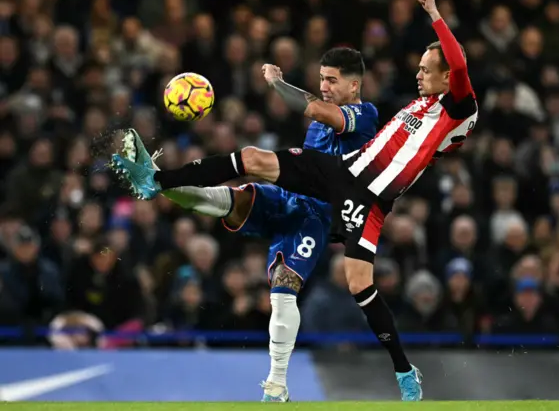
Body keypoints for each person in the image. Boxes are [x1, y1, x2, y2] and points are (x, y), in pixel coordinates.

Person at [113, 0, 474, 401]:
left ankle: (402, 370)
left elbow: (457, 66)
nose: (418, 75)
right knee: (246, 166)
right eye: (321, 78)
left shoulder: (432, 107)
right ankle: (156, 181)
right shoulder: (419, 105)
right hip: (340, 174)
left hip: (354, 204)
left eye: (427, 69)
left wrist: (433, 13)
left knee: (357, 286)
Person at [116, 47, 379, 402]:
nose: (325, 86)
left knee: (283, 292)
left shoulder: (364, 115)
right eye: (321, 79)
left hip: (316, 216)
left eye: (332, 80)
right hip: (287, 197)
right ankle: (156, 183)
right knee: (224, 199)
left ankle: (276, 385)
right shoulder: (323, 116)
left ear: (355, 85)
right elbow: (314, 113)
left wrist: (276, 82)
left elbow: (315, 108)